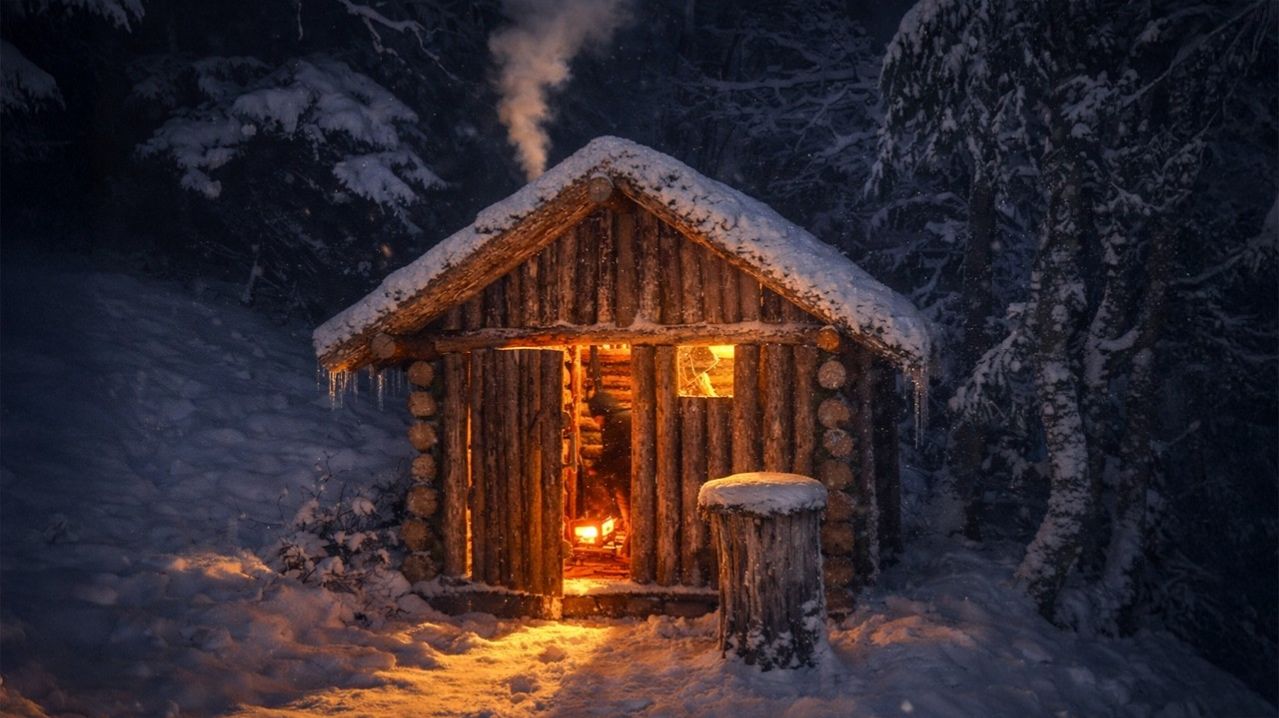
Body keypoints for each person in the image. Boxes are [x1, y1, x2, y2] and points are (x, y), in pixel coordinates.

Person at [586, 387, 631, 548]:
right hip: (643, 470)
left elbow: (612, 452)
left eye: (596, 419)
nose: (597, 423)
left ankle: (631, 547)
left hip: (627, 473)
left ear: (599, 414)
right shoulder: (628, 415)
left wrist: (596, 468)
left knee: (628, 508)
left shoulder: (613, 423)